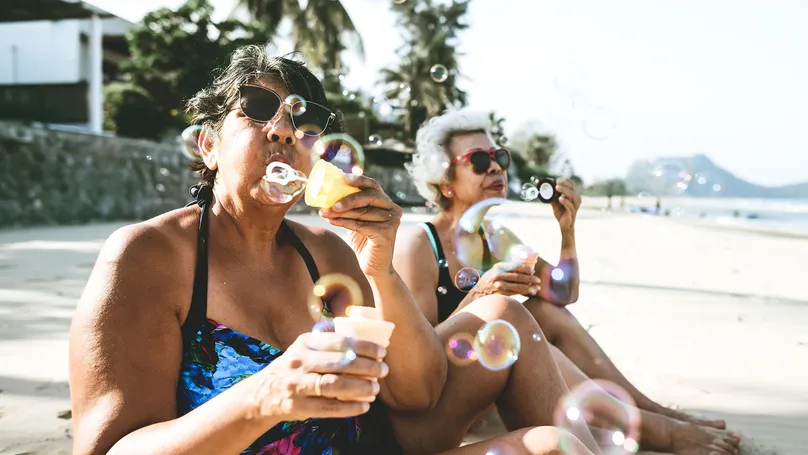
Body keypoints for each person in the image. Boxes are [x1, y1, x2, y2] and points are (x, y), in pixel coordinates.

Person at [68, 45, 605, 455]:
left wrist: (379, 267)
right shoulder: (147, 257)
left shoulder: (324, 251)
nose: (282, 131)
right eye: (256, 109)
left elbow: (417, 396)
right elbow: (110, 449)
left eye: (304, 124)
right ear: (208, 145)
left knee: (553, 442)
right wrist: (264, 396)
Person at [393, 108, 742, 455]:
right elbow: (419, 362)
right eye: (479, 161)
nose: (497, 167)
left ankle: (654, 412)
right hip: (447, 398)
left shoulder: (494, 238)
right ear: (445, 181)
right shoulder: (419, 245)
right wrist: (479, 296)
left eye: (500, 156)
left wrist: (567, 231)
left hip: (488, 377)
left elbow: (561, 292)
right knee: (522, 333)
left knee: (547, 312)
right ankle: (661, 431)